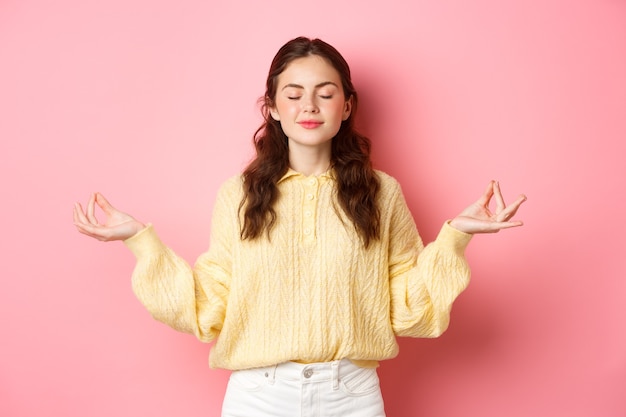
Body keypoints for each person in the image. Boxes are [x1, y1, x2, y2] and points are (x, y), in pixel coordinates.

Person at [73, 36, 526, 417]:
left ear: (347, 106)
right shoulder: (239, 194)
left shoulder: (381, 192)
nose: (309, 105)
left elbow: (405, 303)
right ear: (271, 106)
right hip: (258, 398)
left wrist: (455, 237)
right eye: (293, 94)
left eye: (325, 93)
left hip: (351, 396)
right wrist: (140, 241)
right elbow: (210, 304)